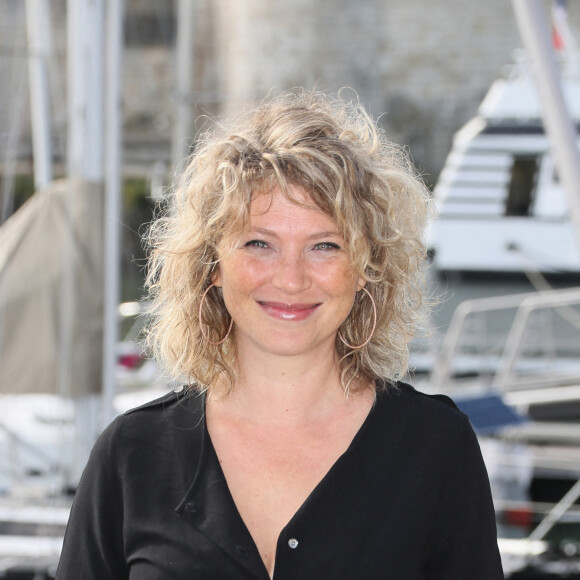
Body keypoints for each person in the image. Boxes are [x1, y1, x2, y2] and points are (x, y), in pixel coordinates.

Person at [57, 89, 504, 579]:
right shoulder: (132, 455)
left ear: (364, 270)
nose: (291, 279)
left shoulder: (436, 448)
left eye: (325, 246)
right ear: (213, 266)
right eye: (259, 243)